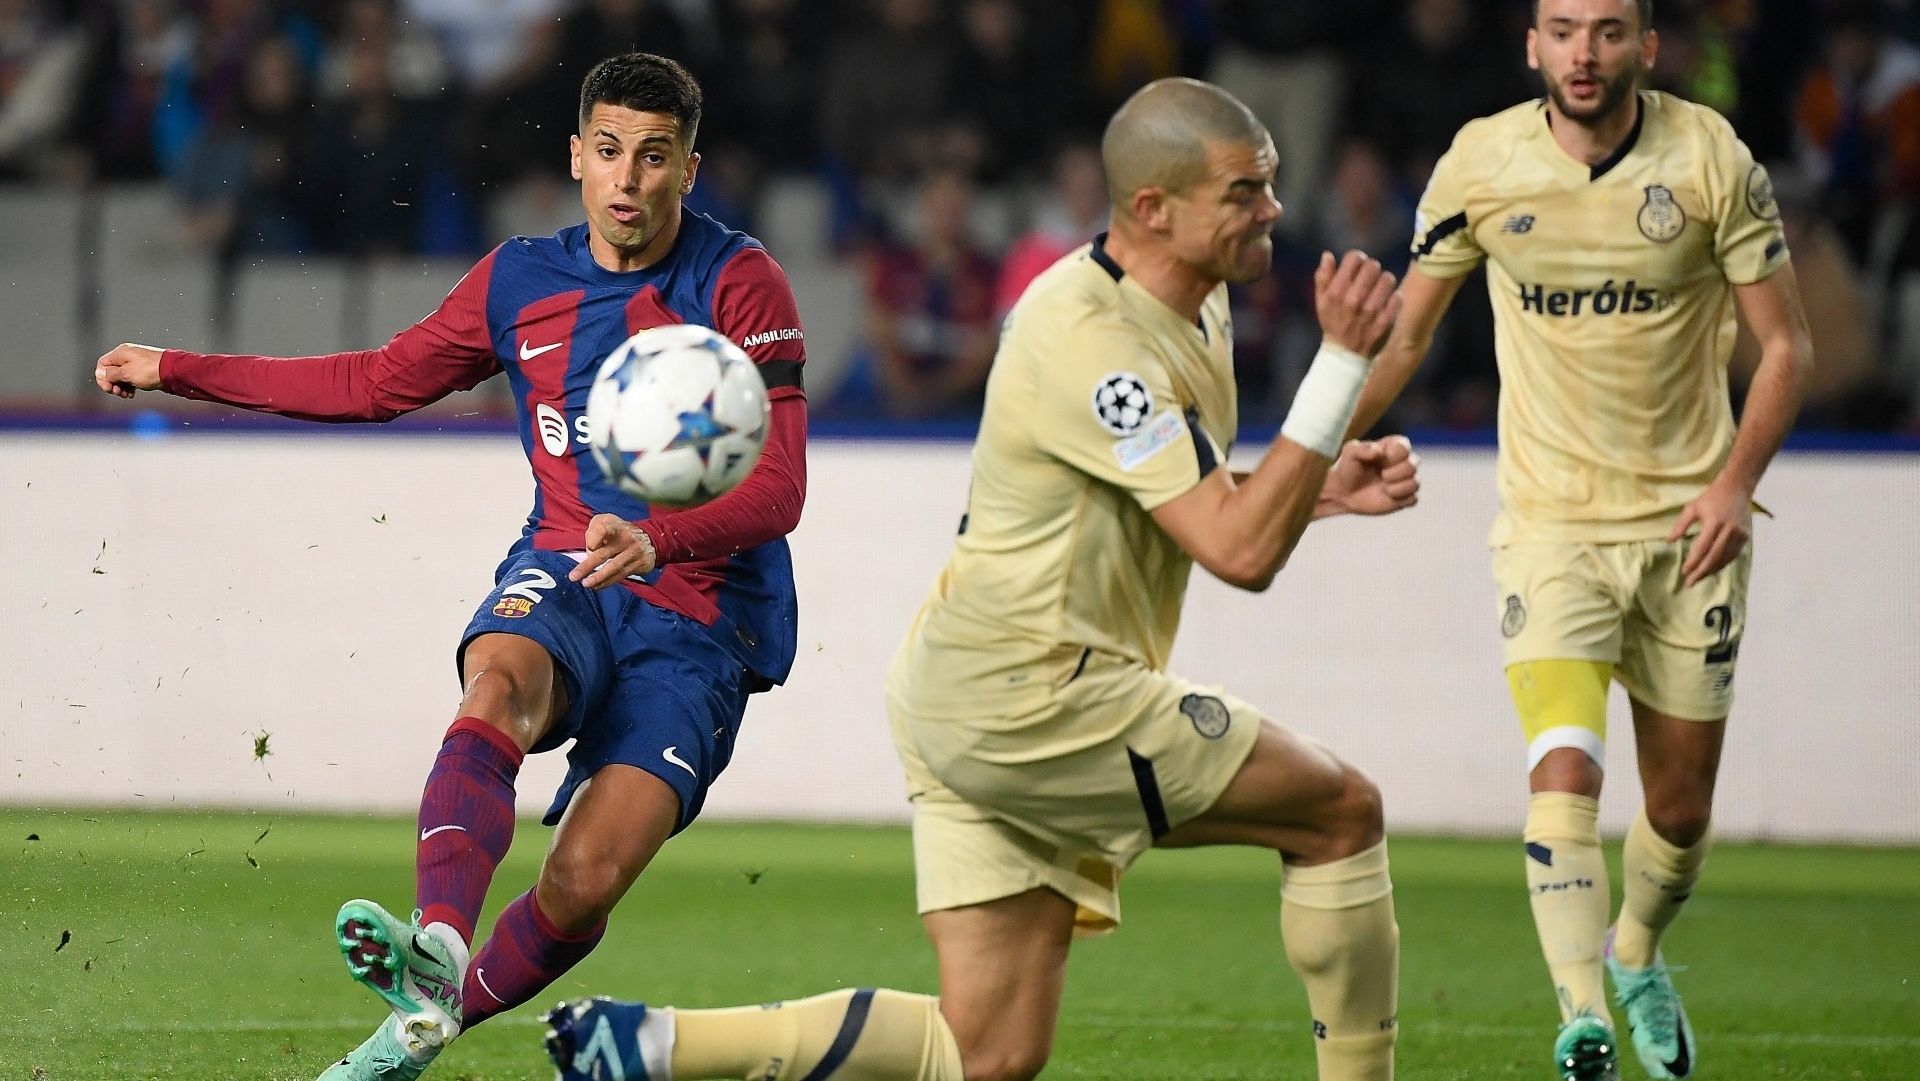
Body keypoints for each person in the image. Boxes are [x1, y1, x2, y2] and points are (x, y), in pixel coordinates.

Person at [542, 76, 1419, 1081]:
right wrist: (1341, 363)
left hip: (962, 690)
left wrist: (1310, 488)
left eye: (1268, 185)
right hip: (1041, 691)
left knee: (991, 1050)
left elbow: (1190, 504)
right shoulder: (1096, 342)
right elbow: (1241, 554)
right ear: (1152, 210)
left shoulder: (1191, 305)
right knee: (1341, 812)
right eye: (1242, 191)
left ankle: (655, 1045)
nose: (1270, 207)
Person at [91, 52, 811, 1081]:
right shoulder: (522, 279)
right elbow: (376, 381)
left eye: (656, 158)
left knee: (585, 880)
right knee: (500, 680)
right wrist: (182, 370)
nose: (628, 179)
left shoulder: (739, 283)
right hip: (565, 566)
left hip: (700, 614)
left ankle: (426, 1024)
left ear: (689, 170)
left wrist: (661, 534)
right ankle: (438, 938)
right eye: (608, 151)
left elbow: (779, 487)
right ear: (576, 157)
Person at [1345, 2, 1814, 1078]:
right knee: (1564, 765)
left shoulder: (1708, 158)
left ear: (1646, 48)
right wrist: (1302, 456)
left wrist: (1738, 486)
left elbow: (1788, 344)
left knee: (1682, 808)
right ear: (1531, 45)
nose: (1583, 53)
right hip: (1550, 525)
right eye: (1563, 29)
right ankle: (1581, 1017)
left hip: (1688, 524)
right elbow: (1407, 333)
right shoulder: (1482, 163)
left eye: (1608, 31)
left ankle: (1637, 950)